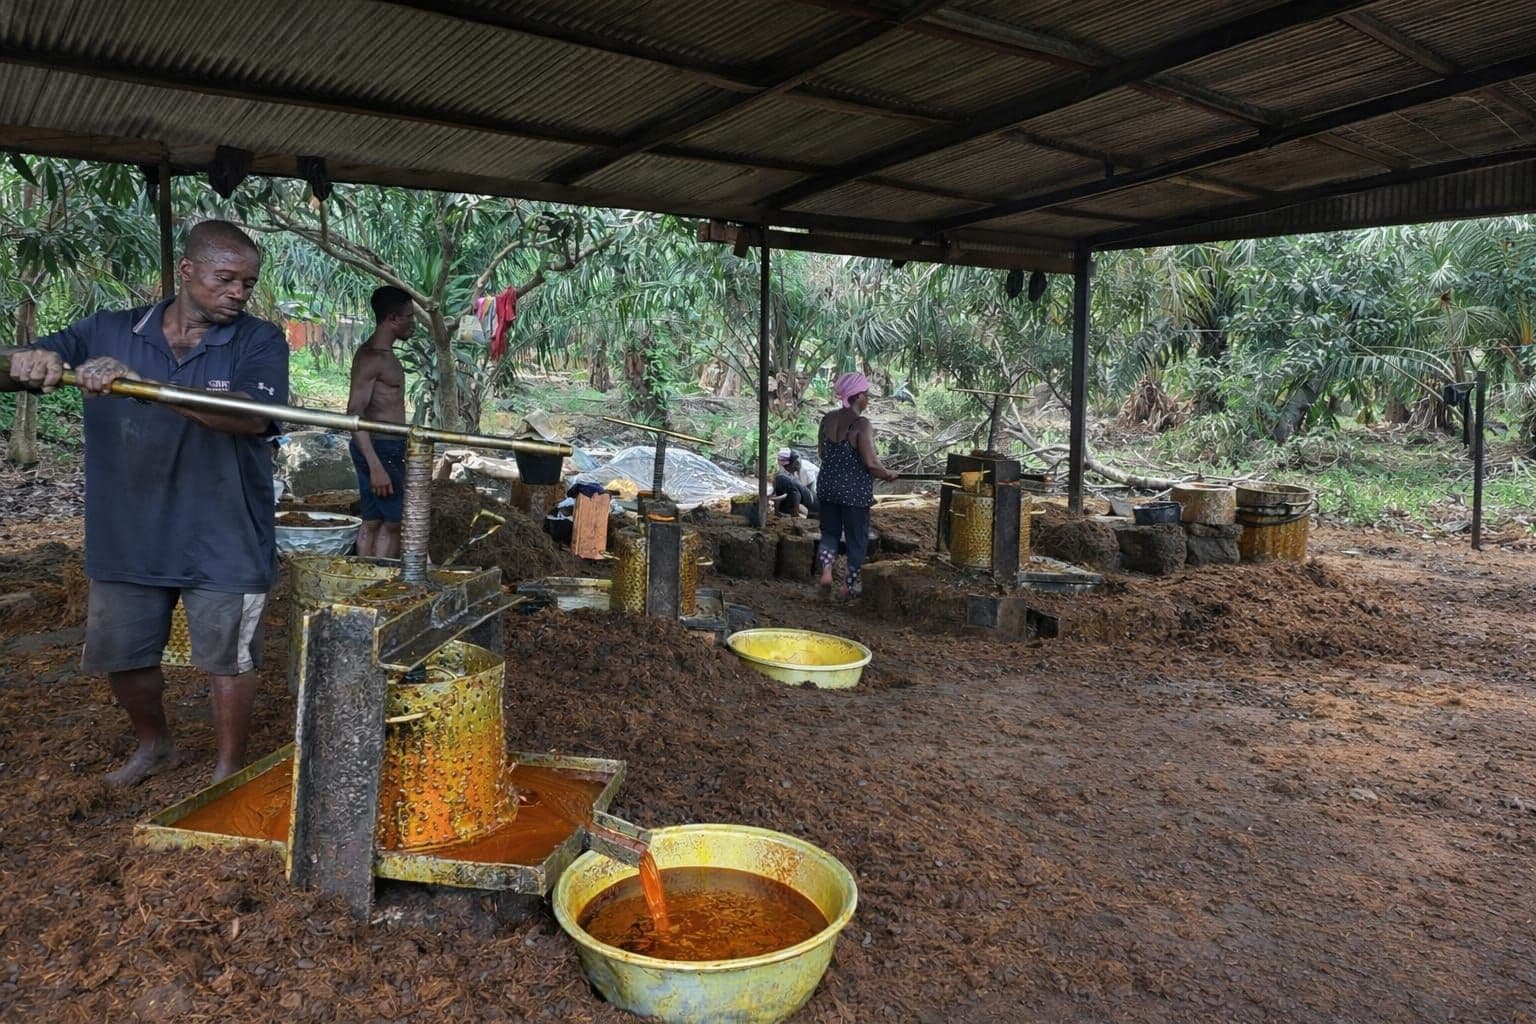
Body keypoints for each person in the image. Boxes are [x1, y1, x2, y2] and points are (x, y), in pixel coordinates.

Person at [1, 220, 289, 787]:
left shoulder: (259, 340)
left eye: (247, 283)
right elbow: (24, 361)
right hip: (128, 528)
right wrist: (26, 359)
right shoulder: (107, 329)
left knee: (229, 658)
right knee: (124, 655)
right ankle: (155, 745)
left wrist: (144, 383)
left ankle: (229, 770)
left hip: (224, 529)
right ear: (186, 271)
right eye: (225, 279)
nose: (238, 293)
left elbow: (251, 416)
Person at [816, 372, 898, 598]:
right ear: (858, 396)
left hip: (827, 485)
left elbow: (823, 453)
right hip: (853, 492)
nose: (868, 399)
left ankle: (826, 572)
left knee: (829, 533)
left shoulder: (827, 419)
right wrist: (887, 474)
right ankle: (847, 586)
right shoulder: (861, 424)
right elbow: (871, 463)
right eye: (866, 394)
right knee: (857, 538)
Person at [347, 286, 414, 557]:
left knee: (373, 520)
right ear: (392, 318)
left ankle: (367, 584)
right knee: (393, 522)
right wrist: (376, 466)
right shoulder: (373, 358)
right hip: (381, 449)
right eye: (410, 316)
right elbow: (354, 413)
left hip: (383, 447)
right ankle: (382, 584)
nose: (414, 323)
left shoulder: (381, 355)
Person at [771, 448, 819, 517]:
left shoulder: (806, 470)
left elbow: (810, 493)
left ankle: (795, 515)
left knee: (791, 486)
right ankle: (785, 512)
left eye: (786, 466)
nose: (785, 468)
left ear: (794, 463)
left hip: (815, 500)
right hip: (805, 496)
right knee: (781, 480)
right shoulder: (793, 470)